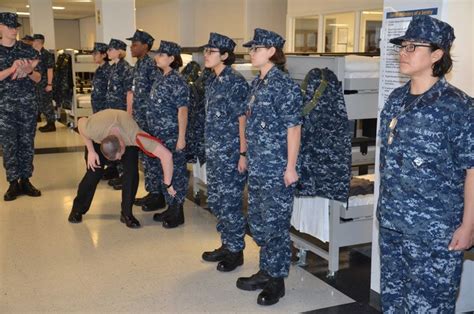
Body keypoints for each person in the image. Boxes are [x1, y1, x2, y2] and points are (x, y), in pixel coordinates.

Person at [378, 15, 474, 313]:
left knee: (429, 307)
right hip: (393, 223)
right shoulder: (396, 99)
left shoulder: (457, 106)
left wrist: (468, 225)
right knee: (393, 302)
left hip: (434, 232)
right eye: (402, 46)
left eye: (413, 46)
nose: (404, 52)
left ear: (437, 54)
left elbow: (472, 169)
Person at [236, 28, 303, 306]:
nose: (251, 53)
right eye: (251, 49)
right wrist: (247, 155)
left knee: (275, 225)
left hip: (277, 168)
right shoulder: (257, 84)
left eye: (256, 49)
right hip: (259, 167)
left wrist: (290, 167)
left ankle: (277, 282)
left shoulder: (283, 86)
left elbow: (294, 128)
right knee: (260, 223)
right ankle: (266, 270)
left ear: (272, 52)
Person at [67, 109, 175, 229]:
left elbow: (166, 155)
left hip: (126, 135)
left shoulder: (135, 136)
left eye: (119, 157)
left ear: (122, 145)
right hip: (98, 139)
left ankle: (126, 214)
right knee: (93, 173)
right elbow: (81, 122)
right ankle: (77, 209)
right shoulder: (93, 129)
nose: (119, 160)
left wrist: (168, 184)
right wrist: (91, 151)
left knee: (131, 173)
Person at [200, 33, 249, 272]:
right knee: (218, 201)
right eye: (206, 51)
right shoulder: (212, 80)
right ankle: (226, 243)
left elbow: (243, 120)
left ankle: (235, 250)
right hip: (216, 153)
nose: (205, 55)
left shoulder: (235, 82)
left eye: (211, 52)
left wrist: (242, 153)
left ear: (225, 56)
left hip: (231, 154)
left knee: (230, 203)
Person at [0, 12, 42, 201]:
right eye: (9, 26)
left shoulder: (27, 50)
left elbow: (38, 78)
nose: (14, 30)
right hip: (5, 106)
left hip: (27, 105)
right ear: (1, 27)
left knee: (27, 142)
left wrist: (29, 70)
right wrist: (12, 69)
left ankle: (26, 180)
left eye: (15, 26)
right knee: (9, 145)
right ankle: (12, 183)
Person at [148, 40, 189, 228]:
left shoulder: (177, 80)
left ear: (172, 58)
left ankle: (177, 211)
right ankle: (169, 206)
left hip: (172, 135)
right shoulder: (160, 77)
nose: (157, 57)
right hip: (158, 136)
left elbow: (182, 111)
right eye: (158, 54)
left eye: (162, 55)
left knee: (177, 172)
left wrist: (181, 138)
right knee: (163, 170)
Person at [126, 29, 166, 212]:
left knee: (153, 156)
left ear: (145, 46)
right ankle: (152, 191)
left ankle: (158, 195)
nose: (131, 47)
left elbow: (158, 93)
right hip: (140, 120)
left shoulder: (151, 64)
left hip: (151, 120)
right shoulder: (139, 65)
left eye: (135, 44)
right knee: (146, 158)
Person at [104, 38, 133, 189]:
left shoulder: (125, 69)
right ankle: (119, 173)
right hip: (113, 113)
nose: (108, 52)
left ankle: (125, 177)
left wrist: (127, 115)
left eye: (110, 49)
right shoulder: (114, 67)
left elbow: (129, 93)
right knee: (116, 142)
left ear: (119, 51)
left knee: (123, 145)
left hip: (121, 113)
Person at [33, 34, 56, 133]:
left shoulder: (46, 54)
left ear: (39, 42)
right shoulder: (34, 53)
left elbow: (50, 70)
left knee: (46, 104)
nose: (32, 42)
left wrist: (50, 84)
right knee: (38, 103)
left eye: (34, 41)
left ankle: (51, 124)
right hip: (35, 84)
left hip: (44, 84)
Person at [90, 42, 111, 113]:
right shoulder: (98, 70)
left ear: (104, 55)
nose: (93, 56)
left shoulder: (109, 70)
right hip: (96, 106)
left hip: (104, 108)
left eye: (96, 54)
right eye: (93, 54)